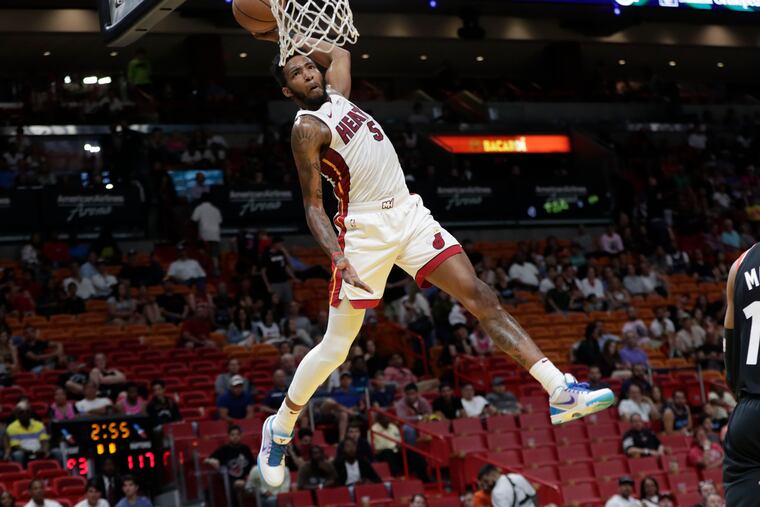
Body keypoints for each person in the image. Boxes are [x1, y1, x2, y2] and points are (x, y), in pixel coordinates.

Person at [254, 33, 613, 487]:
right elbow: (312, 205)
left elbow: (341, 52)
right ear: (287, 90)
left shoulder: (340, 95)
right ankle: (280, 426)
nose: (308, 74)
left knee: (480, 296)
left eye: (308, 67)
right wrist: (338, 256)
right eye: (296, 74)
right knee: (337, 346)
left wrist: (302, 37)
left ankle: (559, 390)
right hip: (364, 233)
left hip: (409, 213)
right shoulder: (306, 128)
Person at [204, 425, 255, 498]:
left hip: (246, 477)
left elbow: (252, 464)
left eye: (237, 434)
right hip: (231, 479)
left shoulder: (245, 448)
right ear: (228, 436)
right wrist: (212, 461)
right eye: (232, 435)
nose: (235, 437)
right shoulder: (224, 449)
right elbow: (206, 460)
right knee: (241, 484)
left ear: (241, 435)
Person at [191, 193, 223, 273]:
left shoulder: (199, 208)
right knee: (214, 254)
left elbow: (194, 219)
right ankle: (216, 269)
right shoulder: (216, 209)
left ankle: (204, 263)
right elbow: (220, 221)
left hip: (204, 235)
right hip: (215, 234)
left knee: (201, 249)